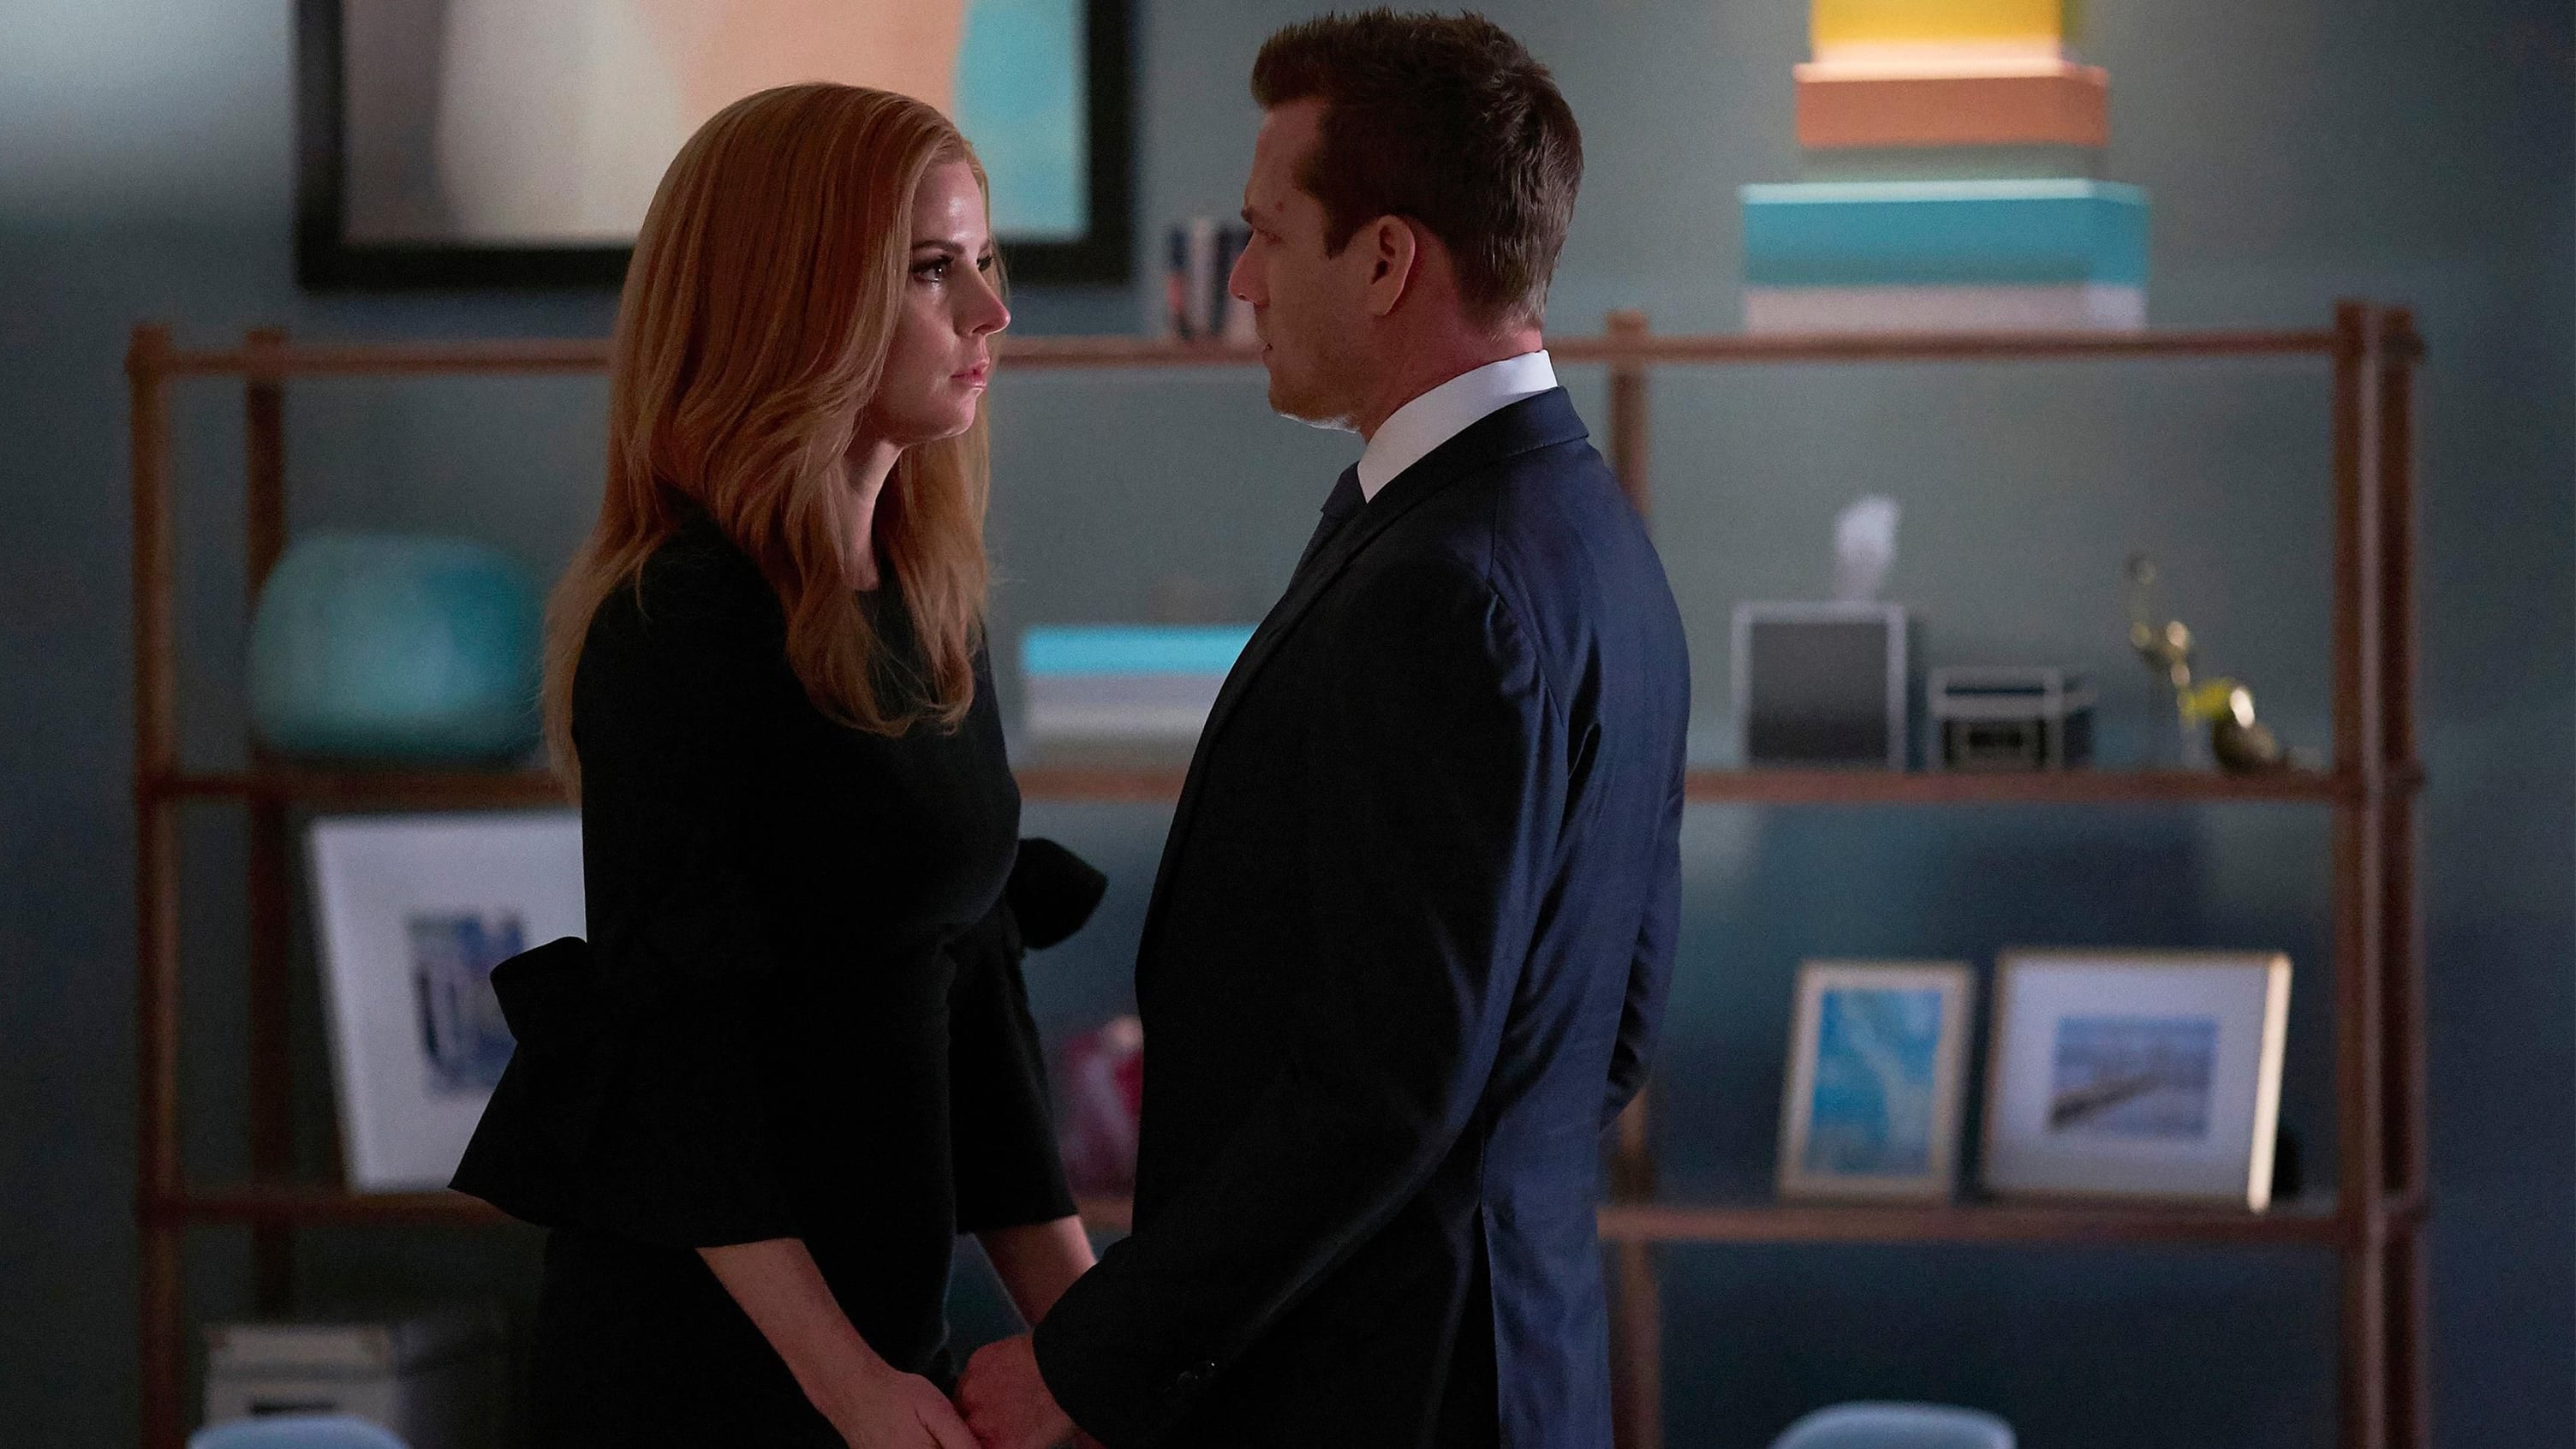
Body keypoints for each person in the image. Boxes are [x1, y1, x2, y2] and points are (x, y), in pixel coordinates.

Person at [957, 12, 1691, 1449]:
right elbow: (1615, 1027)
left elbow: (1383, 1087)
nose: (1240, 280)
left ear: (1386, 259)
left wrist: (1085, 1363)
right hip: (1508, 1371)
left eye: (1266, 234)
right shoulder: (1591, 533)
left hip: (1383, 1396)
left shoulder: (1446, 583)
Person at [449, 83, 1103, 1449]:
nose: (990, 313)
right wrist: (849, 1386)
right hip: (710, 1375)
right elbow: (676, 1059)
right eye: (932, 270)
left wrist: (1104, 1356)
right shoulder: (680, 621)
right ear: (793, 301)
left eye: (986, 262)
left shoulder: (929, 604)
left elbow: (979, 1006)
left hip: (881, 1347)